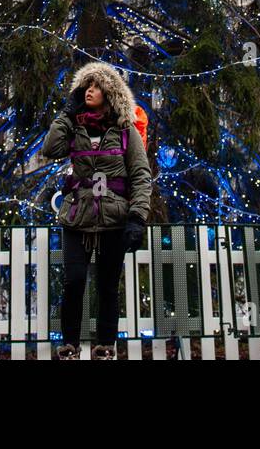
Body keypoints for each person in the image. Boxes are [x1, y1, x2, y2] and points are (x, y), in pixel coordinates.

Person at [42, 62, 151, 360]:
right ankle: (69, 345)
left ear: (110, 92)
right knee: (74, 281)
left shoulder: (126, 132)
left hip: (114, 217)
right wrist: (66, 114)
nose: (89, 90)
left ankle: (106, 346)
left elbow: (141, 175)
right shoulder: (74, 126)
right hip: (78, 215)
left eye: (96, 86)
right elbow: (50, 148)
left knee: (107, 285)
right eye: (86, 86)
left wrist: (137, 216)